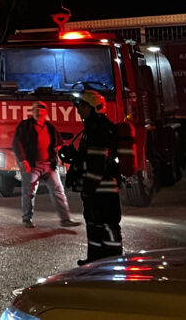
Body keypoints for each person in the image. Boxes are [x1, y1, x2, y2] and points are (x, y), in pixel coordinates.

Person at [70, 90, 123, 265]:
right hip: (96, 190)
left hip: (102, 190)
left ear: (94, 108)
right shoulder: (92, 128)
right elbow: (89, 158)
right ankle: (95, 261)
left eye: (83, 106)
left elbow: (97, 164)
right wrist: (74, 160)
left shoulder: (98, 130)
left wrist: (88, 188)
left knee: (107, 226)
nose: (79, 110)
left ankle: (113, 262)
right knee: (94, 227)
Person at [12, 102, 81, 229]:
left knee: (58, 190)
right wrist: (23, 161)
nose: (38, 112)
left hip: (49, 165)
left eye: (41, 110)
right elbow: (17, 144)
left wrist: (60, 155)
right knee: (28, 192)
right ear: (32, 112)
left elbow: (58, 143)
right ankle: (27, 219)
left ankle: (65, 219)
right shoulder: (25, 126)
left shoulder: (50, 128)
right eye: (35, 110)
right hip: (32, 166)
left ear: (46, 112)